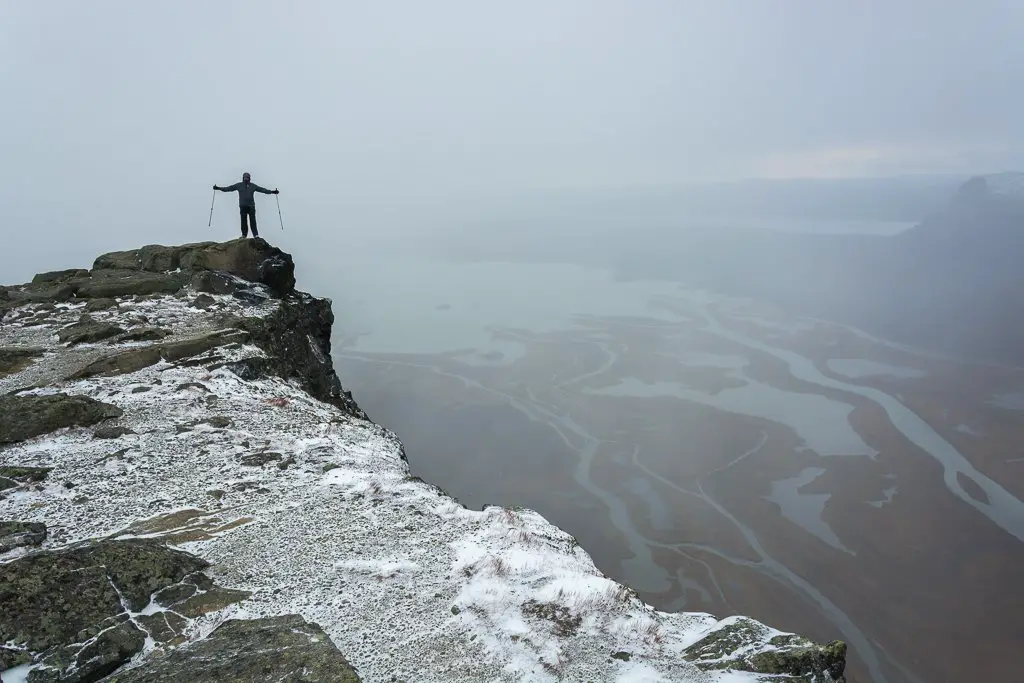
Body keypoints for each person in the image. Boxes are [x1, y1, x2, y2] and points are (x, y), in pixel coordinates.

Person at [213, 173, 279, 238]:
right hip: (243, 206)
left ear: (249, 178)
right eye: (245, 178)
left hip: (251, 206)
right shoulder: (239, 185)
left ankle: (255, 235)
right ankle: (244, 235)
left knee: (253, 220)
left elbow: (263, 190)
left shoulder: (253, 186)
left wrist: (272, 192)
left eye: (247, 178)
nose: (246, 179)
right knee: (243, 221)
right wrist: (218, 188)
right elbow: (228, 188)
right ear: (243, 178)